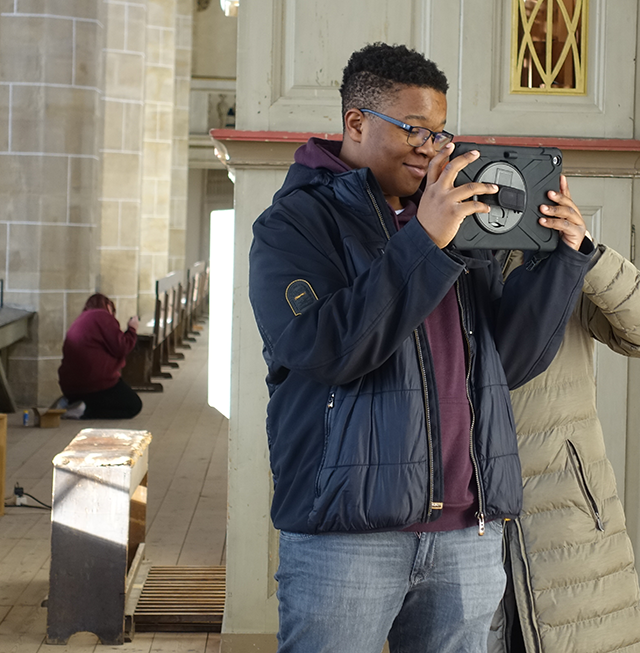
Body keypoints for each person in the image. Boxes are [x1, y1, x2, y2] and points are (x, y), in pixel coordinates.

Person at [248, 42, 598, 653]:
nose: (431, 147)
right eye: (413, 129)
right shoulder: (293, 226)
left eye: (440, 133)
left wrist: (564, 261)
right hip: (346, 536)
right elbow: (329, 351)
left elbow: (505, 363)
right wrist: (428, 241)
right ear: (356, 123)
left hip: (468, 529)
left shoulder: (452, 224)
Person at [490, 244, 640, 653]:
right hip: (464, 517)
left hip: (566, 516)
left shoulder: (554, 260)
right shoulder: (431, 244)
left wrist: (586, 253)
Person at [57, 293, 143, 420]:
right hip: (95, 383)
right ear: (108, 306)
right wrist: (132, 329)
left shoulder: (82, 319)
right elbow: (121, 347)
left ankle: (71, 403)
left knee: (119, 394)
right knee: (133, 405)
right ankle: (84, 412)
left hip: (70, 385)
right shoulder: (102, 316)